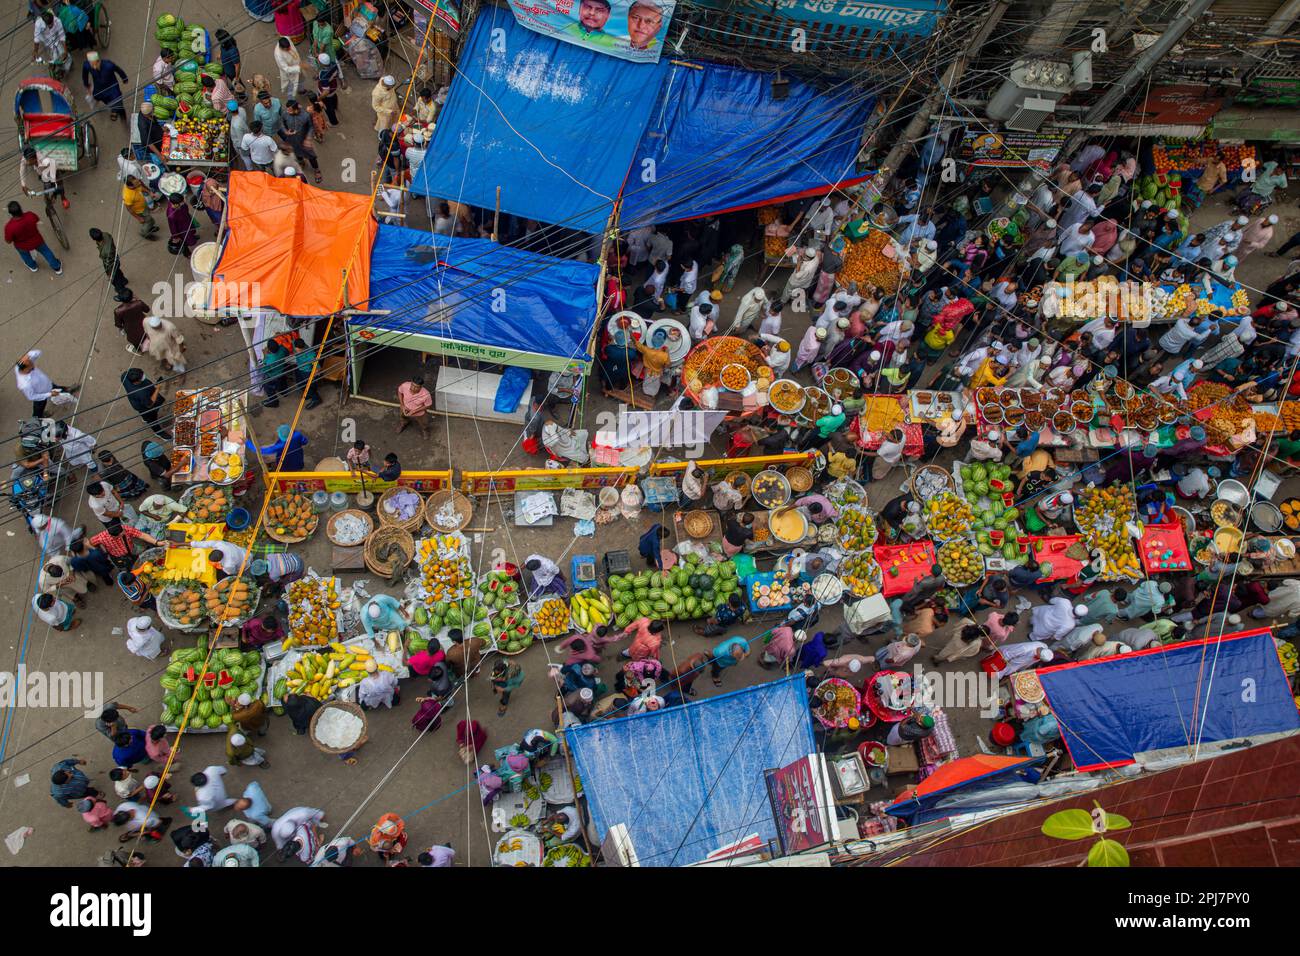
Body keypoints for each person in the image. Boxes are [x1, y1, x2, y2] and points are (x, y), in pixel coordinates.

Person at [5, 202, 62, 274]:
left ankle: (33, 266)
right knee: (46, 252)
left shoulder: (9, 227)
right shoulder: (30, 215)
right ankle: (57, 267)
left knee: (25, 256)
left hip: (22, 246)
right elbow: (37, 220)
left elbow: (8, 241)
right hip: (37, 241)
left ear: (10, 213)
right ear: (20, 208)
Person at [278, 98, 321, 183]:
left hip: (304, 140)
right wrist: (285, 131)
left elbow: (311, 127)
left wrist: (308, 138)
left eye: (290, 110)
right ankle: (301, 162)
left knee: (311, 156)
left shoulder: (306, 115)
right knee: (296, 153)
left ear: (296, 109)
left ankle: (316, 170)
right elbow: (282, 123)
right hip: (292, 139)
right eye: (287, 109)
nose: (288, 111)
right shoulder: (285, 114)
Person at [82, 51, 129, 121]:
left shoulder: (108, 65)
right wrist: (87, 85)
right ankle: (113, 109)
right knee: (104, 99)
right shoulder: (87, 65)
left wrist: (124, 78)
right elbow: (84, 74)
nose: (93, 67)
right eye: (91, 64)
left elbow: (118, 70)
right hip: (99, 88)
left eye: (94, 64)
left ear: (98, 61)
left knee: (118, 101)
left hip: (112, 86)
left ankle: (122, 116)